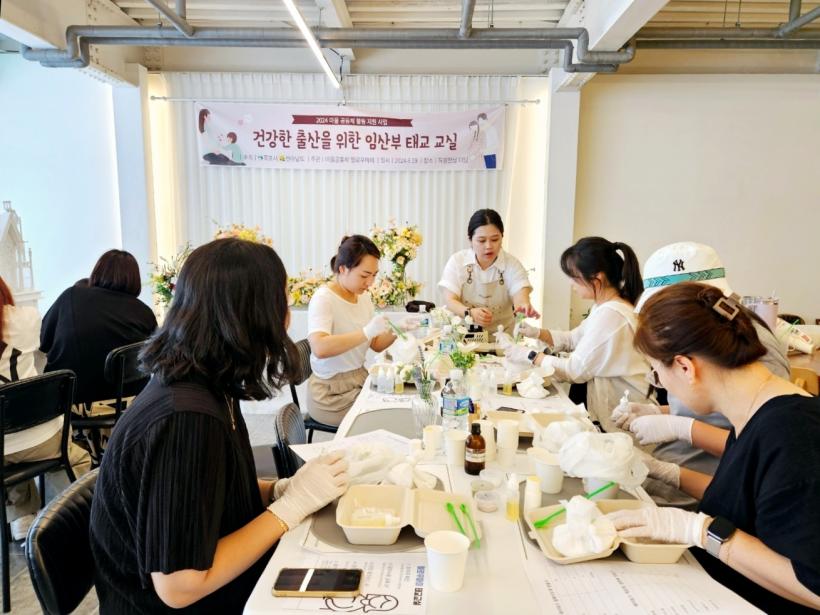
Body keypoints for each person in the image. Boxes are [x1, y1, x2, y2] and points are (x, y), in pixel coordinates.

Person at [90, 238, 350, 613]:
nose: (288, 315)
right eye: (283, 299)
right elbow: (180, 586)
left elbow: (211, 490)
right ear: (253, 313)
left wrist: (278, 490)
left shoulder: (210, 384)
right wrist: (291, 507)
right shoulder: (186, 419)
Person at [607, 282, 820, 613]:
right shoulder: (753, 411)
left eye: (656, 373)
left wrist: (703, 531)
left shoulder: (791, 432)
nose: (660, 384)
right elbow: (745, 501)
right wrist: (665, 472)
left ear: (685, 367)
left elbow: (813, 584)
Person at [610, 242, 790, 508]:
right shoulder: (695, 340)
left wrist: (682, 429)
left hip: (711, 490)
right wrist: (658, 412)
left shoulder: (751, 346)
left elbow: (759, 443)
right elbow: (710, 406)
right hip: (683, 471)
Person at [503, 237, 652, 431]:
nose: (571, 284)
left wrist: (530, 355)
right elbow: (573, 338)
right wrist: (537, 333)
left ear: (597, 279)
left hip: (628, 415)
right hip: (615, 409)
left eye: (575, 278)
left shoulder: (612, 315)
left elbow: (574, 370)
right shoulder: (604, 307)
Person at [40, 249, 157, 460]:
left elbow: (44, 342)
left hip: (75, 405)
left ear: (97, 272)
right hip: (130, 406)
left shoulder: (71, 297)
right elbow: (153, 361)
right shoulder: (144, 312)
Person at [0, 276, 91, 540]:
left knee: (9, 442)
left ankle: (20, 516)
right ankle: (66, 519)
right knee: (73, 455)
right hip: (41, 440)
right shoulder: (26, 318)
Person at [307, 235, 416, 427]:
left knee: (405, 401)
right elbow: (320, 348)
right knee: (391, 418)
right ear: (343, 269)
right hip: (331, 394)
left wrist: (398, 328)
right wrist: (366, 332)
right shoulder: (324, 298)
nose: (370, 282)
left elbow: (375, 344)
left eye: (374, 275)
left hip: (359, 379)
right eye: (364, 276)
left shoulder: (363, 298)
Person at [439, 208, 538, 333]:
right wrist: (470, 313)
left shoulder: (512, 264)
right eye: (481, 240)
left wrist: (523, 306)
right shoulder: (457, 262)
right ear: (470, 240)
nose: (489, 246)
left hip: (503, 337)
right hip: (463, 336)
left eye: (495, 239)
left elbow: (520, 294)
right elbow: (450, 300)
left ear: (502, 237)